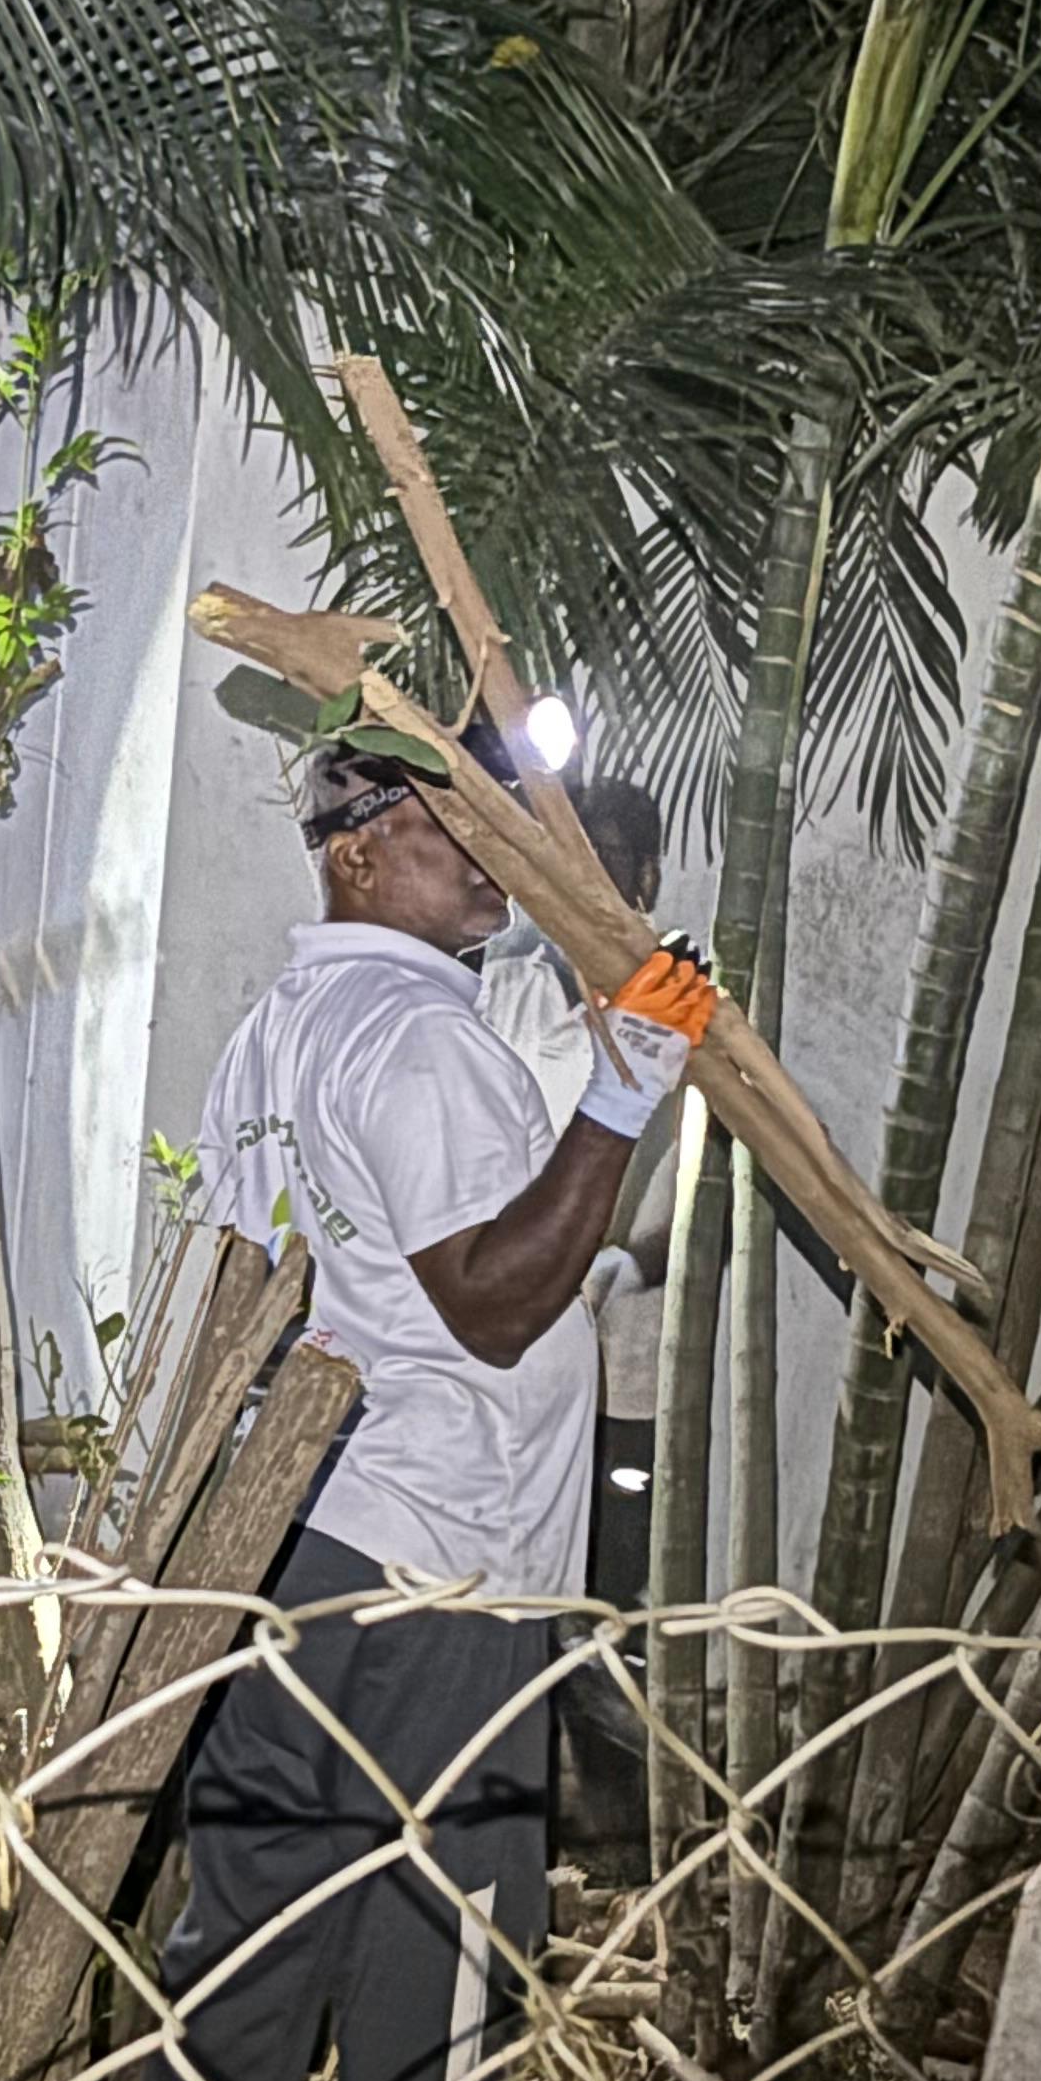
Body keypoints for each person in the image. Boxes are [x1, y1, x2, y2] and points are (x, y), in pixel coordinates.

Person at [88, 733, 718, 2081]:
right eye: (452, 826)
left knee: (253, 1935)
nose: (490, 856)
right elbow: (497, 1301)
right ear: (357, 847)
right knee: (441, 1967)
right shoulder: (418, 1033)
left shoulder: (288, 1027)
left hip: (307, 1552)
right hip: (443, 1573)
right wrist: (626, 1089)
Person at [476, 771, 679, 1868]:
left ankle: (620, 1846)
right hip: (503, 1361)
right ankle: (504, 1834)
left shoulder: (681, 993)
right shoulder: (502, 987)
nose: (583, 886)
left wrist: (613, 1262)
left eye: (607, 864)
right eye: (568, 862)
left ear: (646, 877)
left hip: (619, 1380)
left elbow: (698, 1186)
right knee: (496, 1595)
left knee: (601, 1607)